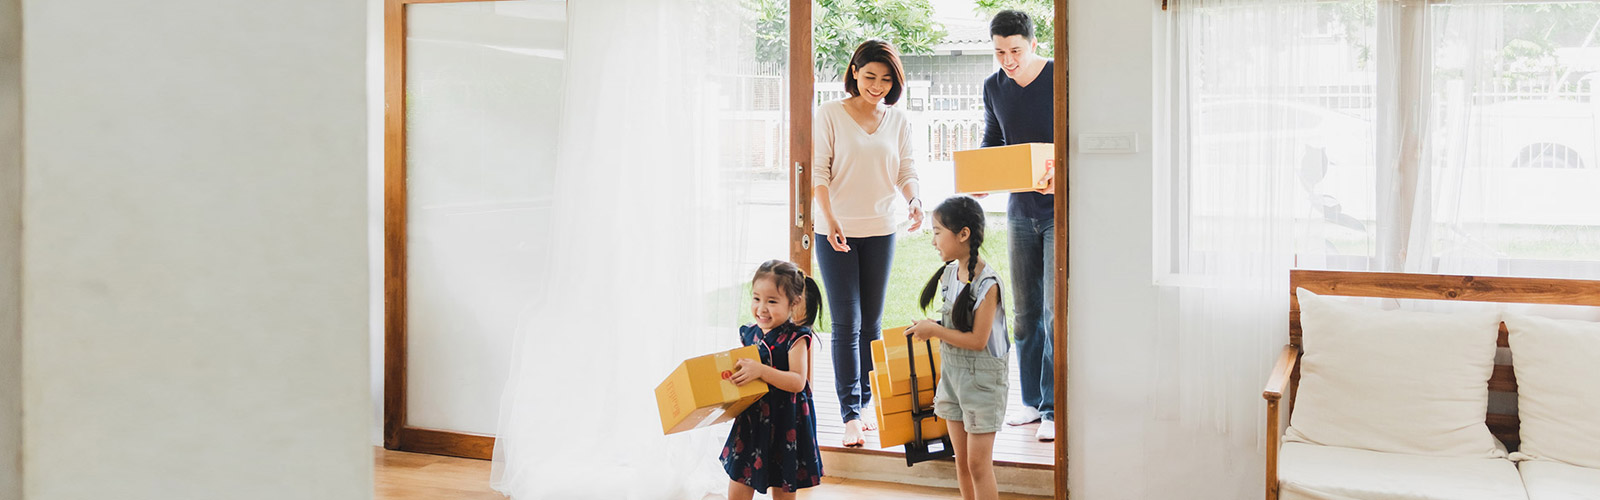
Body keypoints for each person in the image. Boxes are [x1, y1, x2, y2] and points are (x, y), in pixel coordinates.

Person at [812, 39, 924, 447]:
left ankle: (866, 401)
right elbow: (819, 173)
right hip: (836, 231)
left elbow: (906, 169)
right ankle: (850, 414)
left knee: (872, 323)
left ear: (894, 82)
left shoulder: (898, 120)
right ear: (854, 72)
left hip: (881, 228)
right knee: (847, 323)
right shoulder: (830, 114)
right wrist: (830, 218)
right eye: (870, 76)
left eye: (886, 79)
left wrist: (913, 199)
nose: (877, 86)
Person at [980, 9, 1056, 441]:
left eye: (1015, 51)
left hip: (1057, 211)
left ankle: (1051, 407)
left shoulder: (1058, 75)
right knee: (1025, 314)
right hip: (1019, 213)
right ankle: (1029, 402)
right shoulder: (994, 87)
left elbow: (1074, 134)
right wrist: (983, 178)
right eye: (999, 53)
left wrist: (1058, 176)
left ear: (1032, 43)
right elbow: (993, 142)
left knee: (1051, 311)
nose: (1007, 60)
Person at [907, 196, 1010, 500]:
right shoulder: (950, 274)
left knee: (978, 465)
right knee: (962, 463)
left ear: (963, 234)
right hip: (953, 379)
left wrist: (935, 330)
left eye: (938, 232)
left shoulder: (988, 284)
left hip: (982, 384)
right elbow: (954, 327)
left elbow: (978, 340)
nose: (934, 241)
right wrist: (929, 326)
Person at [721, 260, 825, 499]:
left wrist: (760, 371)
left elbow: (798, 381)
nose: (761, 308)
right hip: (752, 422)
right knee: (738, 482)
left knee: (783, 485)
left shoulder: (796, 338)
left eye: (772, 301)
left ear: (794, 303)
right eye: (756, 299)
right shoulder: (749, 332)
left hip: (785, 422)